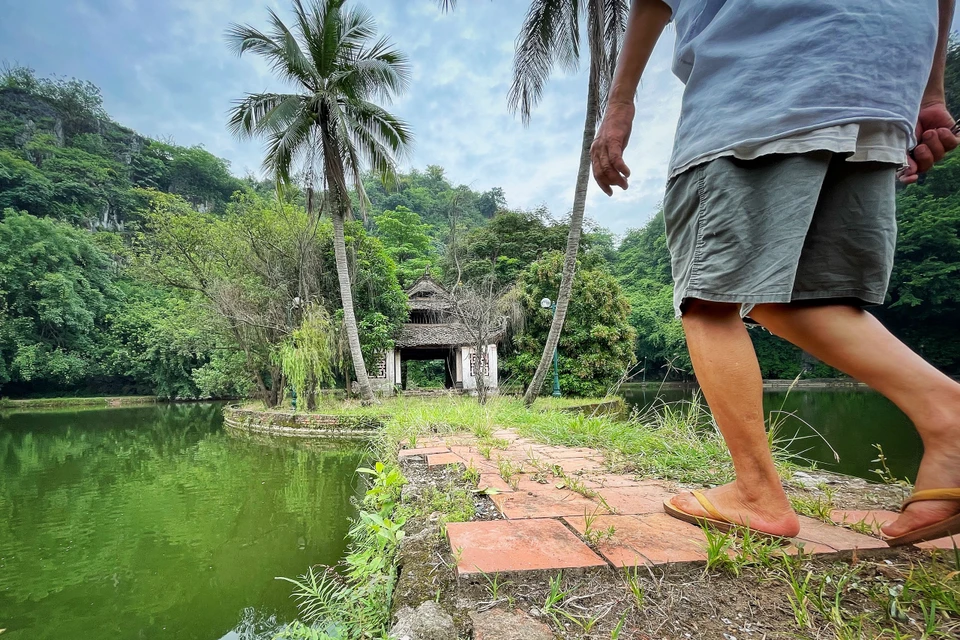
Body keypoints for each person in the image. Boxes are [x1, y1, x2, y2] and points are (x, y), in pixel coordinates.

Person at [592, 0, 960, 546]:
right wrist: (930, 92)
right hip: (881, 80)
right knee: (802, 295)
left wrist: (619, 102)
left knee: (708, 296)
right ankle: (948, 416)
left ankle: (756, 492)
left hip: (766, 80)